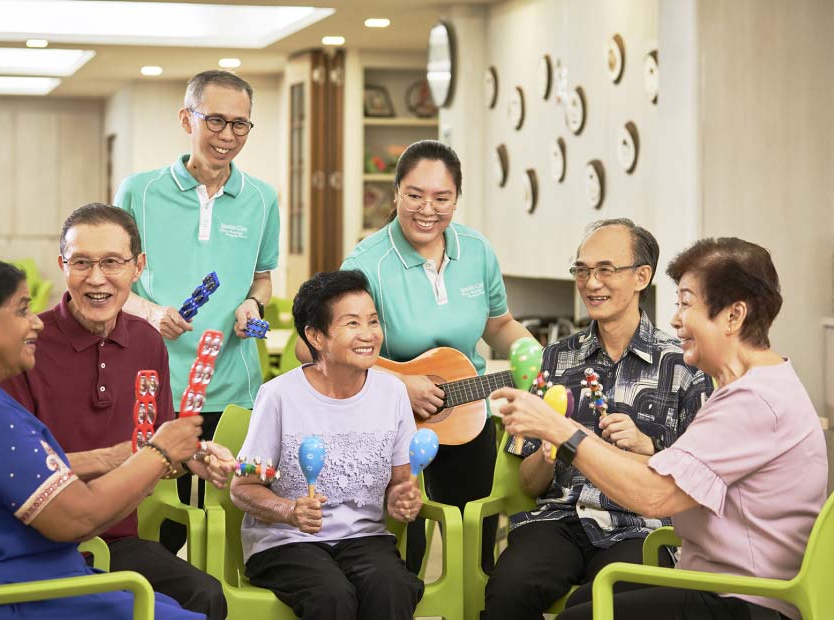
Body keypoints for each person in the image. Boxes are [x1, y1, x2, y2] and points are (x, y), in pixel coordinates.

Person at [497, 237, 828, 620]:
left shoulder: (752, 403)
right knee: (581, 604)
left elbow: (654, 496)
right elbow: (663, 472)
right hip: (718, 586)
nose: (675, 319)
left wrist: (561, 432)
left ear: (733, 316)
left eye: (686, 303)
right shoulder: (752, 388)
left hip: (744, 601)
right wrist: (567, 432)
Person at [0, 258, 206, 620]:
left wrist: (116, 457)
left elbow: (5, 471)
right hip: (10, 598)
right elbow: (79, 518)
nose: (36, 322)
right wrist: (159, 452)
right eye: (22, 310)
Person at [0, 204, 230, 620]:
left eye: (111, 262)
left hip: (117, 540)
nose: (96, 278)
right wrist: (125, 456)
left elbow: (159, 445)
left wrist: (192, 456)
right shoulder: (27, 345)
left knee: (205, 595)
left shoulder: (148, 342)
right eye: (81, 263)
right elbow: (13, 469)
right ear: (62, 266)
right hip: (39, 543)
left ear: (137, 267)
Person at [483, 219, 714, 619]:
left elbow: (701, 480)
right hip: (560, 519)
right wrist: (550, 450)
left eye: (605, 270)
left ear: (642, 276)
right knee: (509, 589)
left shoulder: (684, 364)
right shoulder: (556, 358)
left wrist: (651, 447)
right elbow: (530, 484)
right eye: (582, 270)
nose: (591, 283)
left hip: (642, 527)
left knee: (597, 605)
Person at [336, 139, 535, 572]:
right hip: (387, 424)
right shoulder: (366, 263)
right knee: (398, 551)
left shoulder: (476, 250)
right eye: (415, 195)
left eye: (442, 198)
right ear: (396, 194)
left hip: (467, 414)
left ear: (456, 199)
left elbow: (499, 323)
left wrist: (531, 353)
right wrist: (399, 383)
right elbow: (321, 347)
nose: (427, 209)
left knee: (475, 545)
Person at [114, 69, 279, 519]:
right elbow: (111, 284)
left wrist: (253, 303)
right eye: (216, 120)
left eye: (240, 124)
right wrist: (150, 313)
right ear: (187, 119)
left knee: (226, 522)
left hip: (233, 389)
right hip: (154, 385)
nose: (228, 136)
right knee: (157, 523)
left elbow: (263, 277)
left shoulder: (262, 199)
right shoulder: (139, 191)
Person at [231, 270, 425, 620]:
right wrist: (290, 511)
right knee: (331, 596)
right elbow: (242, 487)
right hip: (286, 542)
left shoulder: (393, 393)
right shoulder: (278, 396)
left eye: (373, 321)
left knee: (394, 586)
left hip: (364, 539)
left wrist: (402, 498)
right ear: (315, 336)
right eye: (352, 323)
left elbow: (400, 481)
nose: (368, 334)